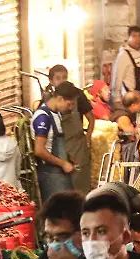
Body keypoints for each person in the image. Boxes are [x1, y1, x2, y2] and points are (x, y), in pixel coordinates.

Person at [48, 65, 96, 193]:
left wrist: (88, 137)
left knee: (80, 185)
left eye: (64, 77)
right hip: (59, 147)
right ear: (51, 81)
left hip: (77, 145)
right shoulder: (48, 99)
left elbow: (91, 118)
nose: (62, 81)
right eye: (58, 78)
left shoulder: (78, 94)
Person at [33, 82, 82, 202]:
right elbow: (39, 151)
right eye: (69, 104)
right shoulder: (43, 117)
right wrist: (63, 164)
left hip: (61, 174)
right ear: (60, 99)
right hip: (50, 175)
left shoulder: (58, 114)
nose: (71, 108)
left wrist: (68, 157)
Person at [112, 26, 140, 104]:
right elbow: (117, 78)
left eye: (139, 36)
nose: (137, 39)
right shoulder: (123, 55)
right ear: (128, 38)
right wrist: (117, 99)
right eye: (134, 36)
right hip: (131, 100)